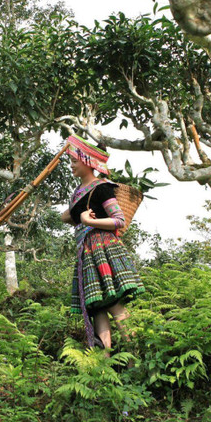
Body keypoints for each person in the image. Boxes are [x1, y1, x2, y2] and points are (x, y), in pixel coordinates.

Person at [60, 135, 145, 350]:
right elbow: (68, 216)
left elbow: (119, 220)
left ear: (88, 161)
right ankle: (104, 362)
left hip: (102, 247)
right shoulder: (77, 193)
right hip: (86, 252)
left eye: (74, 161)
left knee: (114, 303)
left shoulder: (102, 188)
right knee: (97, 306)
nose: (71, 166)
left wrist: (88, 220)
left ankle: (133, 355)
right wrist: (76, 215)